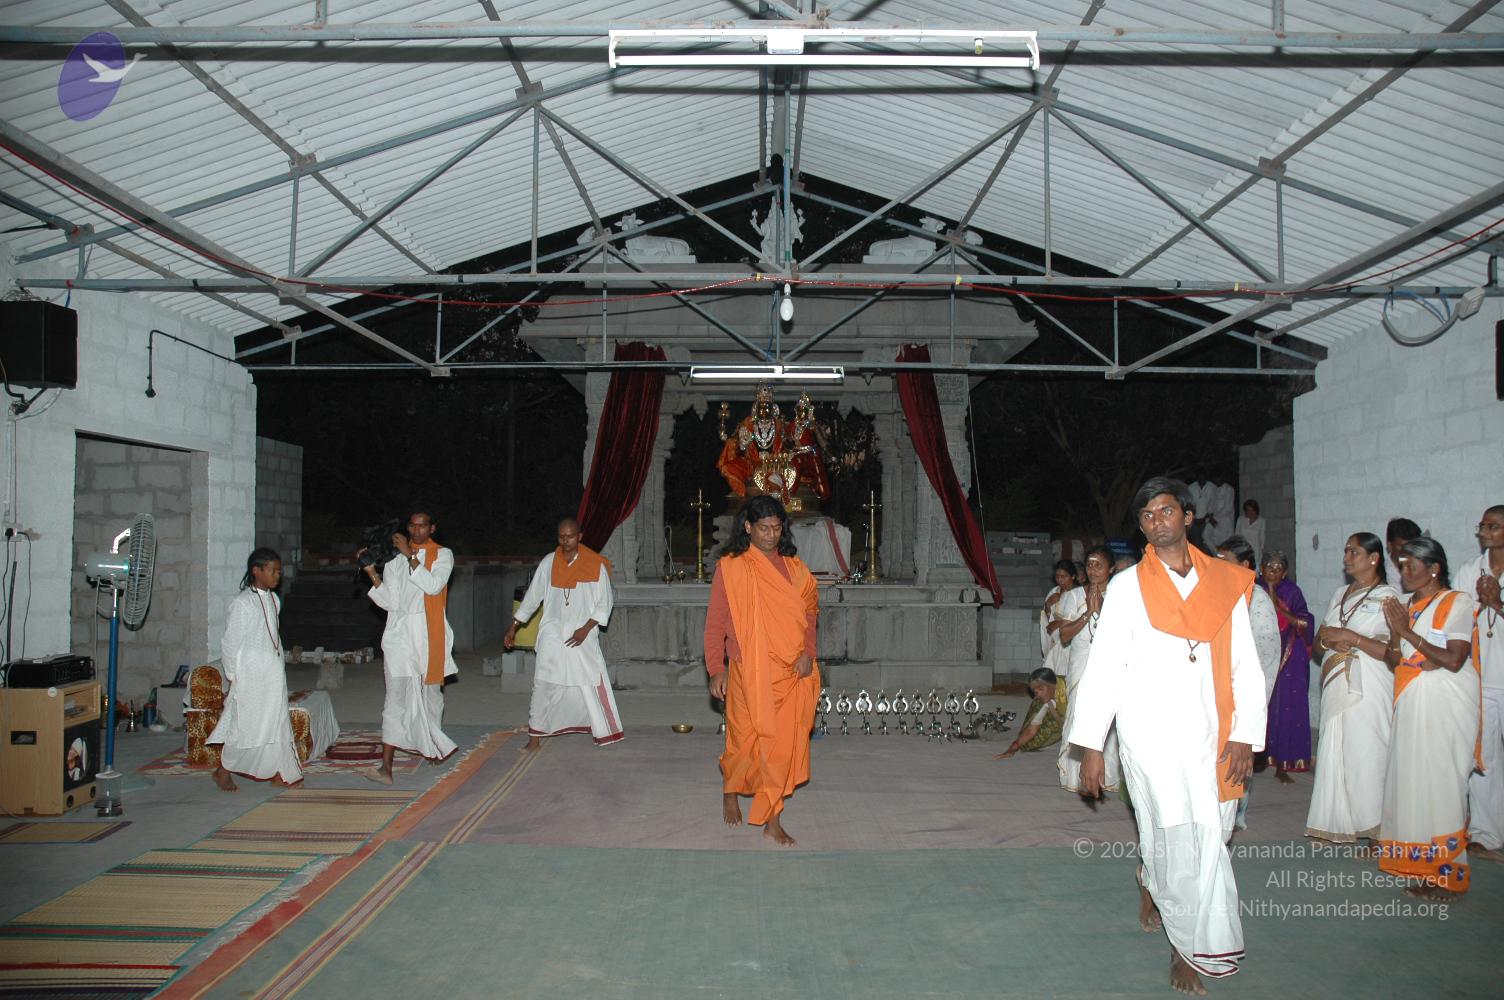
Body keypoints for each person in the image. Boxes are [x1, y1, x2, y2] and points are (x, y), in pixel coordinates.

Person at [1071, 477, 1263, 995]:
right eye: (1148, 515)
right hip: (1150, 736)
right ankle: (1185, 947)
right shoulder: (1127, 587)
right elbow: (1105, 669)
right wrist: (1092, 747)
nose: (1158, 521)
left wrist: (1245, 735)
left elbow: (1245, 664)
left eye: (1166, 511)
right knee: (1174, 840)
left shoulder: (1225, 582)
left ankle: (1152, 884)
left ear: (1188, 516)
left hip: (1214, 732)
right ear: (1140, 527)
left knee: (1214, 837)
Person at [704, 495, 821, 846]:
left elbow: (810, 614)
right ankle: (730, 790)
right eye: (764, 528)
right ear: (748, 527)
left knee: (780, 748)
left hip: (789, 672)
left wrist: (808, 654)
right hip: (747, 670)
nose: (771, 535)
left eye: (776, 528)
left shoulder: (795, 569)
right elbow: (716, 622)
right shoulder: (732, 567)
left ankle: (773, 819)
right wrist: (716, 668)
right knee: (742, 743)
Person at [1377, 538, 1480, 897]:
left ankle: (1450, 875)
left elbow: (1453, 659)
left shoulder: (1457, 602)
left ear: (1434, 568)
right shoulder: (1406, 606)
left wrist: (1405, 631)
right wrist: (1396, 634)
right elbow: (1395, 661)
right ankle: (1424, 870)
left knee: (1443, 785)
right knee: (1416, 785)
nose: (1403, 571)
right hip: (1412, 703)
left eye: (1411, 565)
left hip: (1445, 706)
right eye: (1402, 564)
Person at [1306, 533, 1399, 844]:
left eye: (1354, 552)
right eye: (1345, 551)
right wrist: (1328, 641)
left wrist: (1351, 637)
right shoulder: (1340, 594)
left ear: (1373, 558)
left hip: (1370, 685)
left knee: (1368, 751)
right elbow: (1318, 643)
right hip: (1337, 683)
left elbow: (1393, 651)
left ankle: (1378, 829)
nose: (1346, 557)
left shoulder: (1389, 597)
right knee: (1337, 750)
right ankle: (1338, 821)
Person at [504, 517, 623, 750]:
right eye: (561, 536)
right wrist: (513, 627)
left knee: (589, 679)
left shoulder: (595, 564)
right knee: (543, 682)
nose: (565, 540)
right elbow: (532, 597)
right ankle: (534, 737)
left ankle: (602, 728)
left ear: (579, 536)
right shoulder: (549, 562)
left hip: (582, 634)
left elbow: (604, 602)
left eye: (570, 536)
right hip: (552, 633)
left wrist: (585, 629)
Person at [363, 507, 458, 783]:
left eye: (422, 526)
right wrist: (371, 571)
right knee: (395, 697)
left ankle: (432, 747)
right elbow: (391, 602)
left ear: (432, 528)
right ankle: (386, 768)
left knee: (431, 696)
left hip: (429, 634)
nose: (417, 531)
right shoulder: (394, 561)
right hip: (399, 635)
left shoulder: (443, 555)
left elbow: (433, 585)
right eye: (412, 526)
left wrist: (410, 555)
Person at [208, 548, 301, 791]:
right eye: (273, 571)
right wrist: (232, 676)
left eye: (279, 571)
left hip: (272, 674)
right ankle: (223, 770)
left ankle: (281, 772)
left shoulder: (273, 599)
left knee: (277, 722)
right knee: (247, 726)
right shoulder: (242, 603)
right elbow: (230, 643)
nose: (277, 575)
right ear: (256, 571)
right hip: (250, 675)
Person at [1214, 535, 1281, 833]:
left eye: (1224, 561)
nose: (1217, 566)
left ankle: (1236, 812)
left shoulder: (1258, 599)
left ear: (1244, 565)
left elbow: (1265, 652)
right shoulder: (1220, 594)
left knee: (1239, 753)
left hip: (1243, 692)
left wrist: (1254, 699)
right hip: (1219, 691)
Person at [1056, 546, 1119, 793]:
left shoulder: (1119, 595)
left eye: (1099, 565)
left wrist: (1101, 609)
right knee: (1077, 713)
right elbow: (1064, 635)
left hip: (1110, 664)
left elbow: (1122, 632)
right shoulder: (1073, 597)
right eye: (1090, 565)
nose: (1093, 570)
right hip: (1081, 663)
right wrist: (1089, 613)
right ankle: (1075, 776)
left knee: (1109, 718)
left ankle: (1108, 776)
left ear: (1111, 569)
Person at [1462, 505, 1504, 863]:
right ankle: (1485, 834)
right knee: (1484, 759)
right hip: (1482, 678)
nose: (1485, 532)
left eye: (1494, 526)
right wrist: (1480, 603)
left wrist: (1498, 603)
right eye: (1483, 526)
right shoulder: (1469, 571)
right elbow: (1457, 618)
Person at [1260, 551, 1314, 782]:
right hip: (1262, 652)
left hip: (1290, 653)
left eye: (1278, 568)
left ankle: (1285, 761)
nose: (1273, 571)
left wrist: (1276, 601)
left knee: (1287, 705)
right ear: (1261, 568)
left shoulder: (1292, 592)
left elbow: (1305, 622)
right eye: (1269, 566)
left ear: (1285, 572)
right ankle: (1261, 757)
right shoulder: (1254, 589)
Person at [995, 668, 1066, 759]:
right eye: (1035, 691)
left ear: (1053, 684)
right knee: (1026, 744)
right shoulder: (1043, 701)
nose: (1038, 694)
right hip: (1061, 717)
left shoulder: (1071, 690)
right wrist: (1012, 749)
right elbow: (1031, 730)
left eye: (1041, 688)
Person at [1039, 559, 1076, 683]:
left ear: (1073, 576)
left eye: (1064, 576)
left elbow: (1082, 617)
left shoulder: (1078, 593)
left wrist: (1059, 623)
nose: (1060, 580)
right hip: (1054, 640)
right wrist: (1048, 605)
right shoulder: (1054, 592)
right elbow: (1046, 618)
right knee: (1052, 675)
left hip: (1070, 641)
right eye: (1057, 576)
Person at [1234, 500, 1264, 566]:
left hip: (1255, 554)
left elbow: (1262, 540)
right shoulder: (1240, 519)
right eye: (1247, 510)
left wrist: (1259, 557)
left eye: (1251, 510)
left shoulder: (1261, 521)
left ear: (1255, 510)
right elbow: (1236, 537)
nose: (1249, 512)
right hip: (1242, 552)